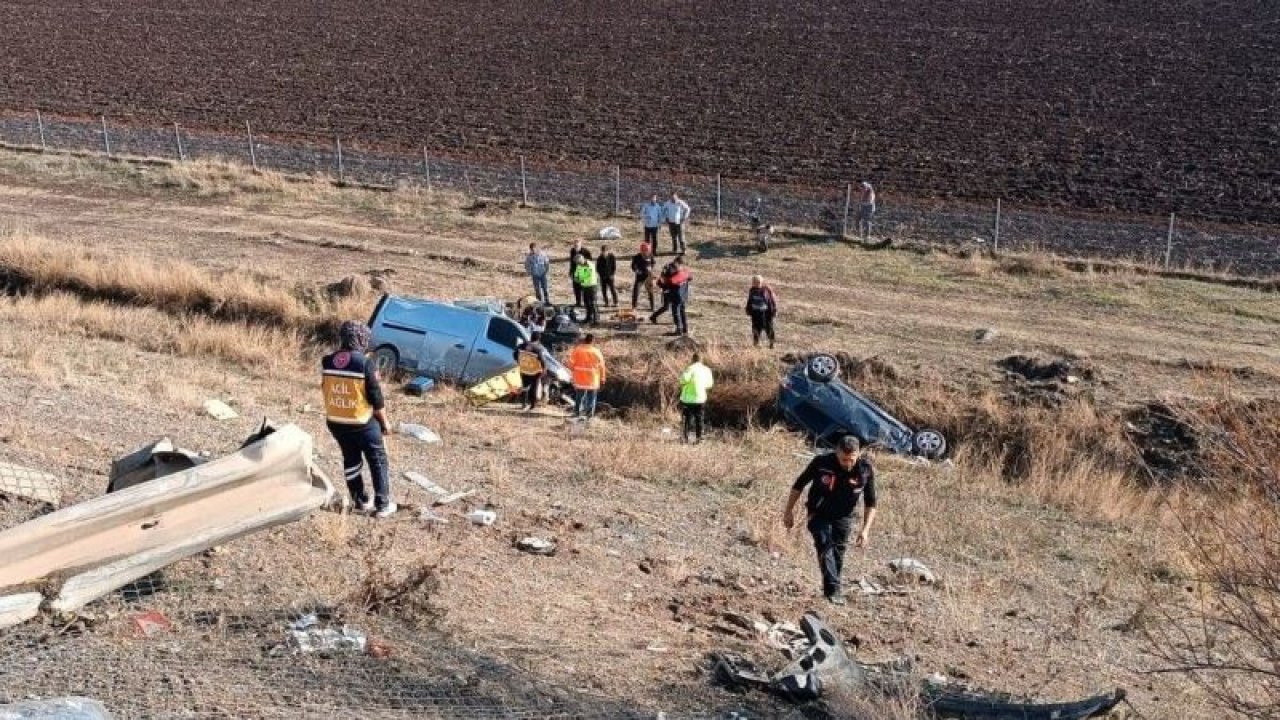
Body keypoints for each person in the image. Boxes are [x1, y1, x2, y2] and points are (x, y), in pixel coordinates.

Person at [782, 436, 877, 604]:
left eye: (851, 460)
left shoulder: (865, 469)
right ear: (836, 452)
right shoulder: (821, 463)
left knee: (838, 552)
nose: (847, 464)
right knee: (825, 544)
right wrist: (788, 511)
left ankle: (833, 589)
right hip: (818, 513)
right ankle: (833, 591)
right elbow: (799, 484)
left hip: (844, 516)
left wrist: (865, 530)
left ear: (858, 454)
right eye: (843, 459)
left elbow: (871, 502)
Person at [321, 321, 396, 518]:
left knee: (351, 459)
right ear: (360, 339)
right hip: (361, 421)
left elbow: (325, 387)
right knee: (377, 459)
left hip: (336, 420)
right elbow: (375, 397)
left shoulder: (327, 360)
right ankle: (382, 505)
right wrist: (385, 423)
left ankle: (360, 501)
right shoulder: (365, 363)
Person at [567, 333, 606, 420]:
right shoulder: (597, 352)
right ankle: (589, 415)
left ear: (584, 340)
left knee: (579, 396)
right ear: (593, 341)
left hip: (580, 378)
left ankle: (576, 413)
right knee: (591, 397)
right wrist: (603, 378)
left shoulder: (577, 350)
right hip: (593, 379)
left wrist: (575, 371)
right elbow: (602, 366)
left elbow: (570, 364)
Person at [678, 352, 714, 443]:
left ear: (692, 359)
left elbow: (683, 380)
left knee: (687, 419)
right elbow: (709, 384)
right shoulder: (707, 370)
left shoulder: (690, 368)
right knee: (699, 418)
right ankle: (700, 438)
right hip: (701, 398)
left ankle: (685, 438)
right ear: (701, 360)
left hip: (688, 398)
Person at [514, 330, 549, 411]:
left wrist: (520, 362)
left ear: (531, 337)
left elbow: (515, 354)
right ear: (539, 339)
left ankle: (523, 404)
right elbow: (542, 360)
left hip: (524, 369)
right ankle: (532, 405)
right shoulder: (538, 348)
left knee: (525, 386)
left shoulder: (521, 346)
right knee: (534, 387)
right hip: (534, 371)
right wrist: (544, 369)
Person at [745, 274, 778, 348]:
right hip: (755, 313)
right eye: (755, 282)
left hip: (765, 313)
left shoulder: (766, 290)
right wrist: (748, 309)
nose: (757, 284)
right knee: (756, 328)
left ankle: (772, 343)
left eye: (758, 282)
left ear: (762, 282)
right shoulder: (752, 290)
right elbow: (750, 300)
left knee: (769, 328)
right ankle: (756, 343)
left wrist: (774, 310)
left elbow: (772, 301)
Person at [574, 253, 601, 326]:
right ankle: (588, 318)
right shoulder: (579, 265)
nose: (579, 264)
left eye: (579, 263)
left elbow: (588, 276)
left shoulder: (590, 265)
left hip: (592, 286)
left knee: (593, 303)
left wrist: (580, 280)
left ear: (582, 259)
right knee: (586, 303)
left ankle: (597, 320)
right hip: (584, 287)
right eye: (577, 263)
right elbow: (576, 275)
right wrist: (577, 279)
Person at [630, 242, 657, 311]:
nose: (645, 253)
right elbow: (633, 266)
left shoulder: (650, 255)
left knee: (650, 292)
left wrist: (651, 267)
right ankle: (634, 306)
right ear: (641, 250)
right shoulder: (636, 257)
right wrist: (637, 271)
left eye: (647, 251)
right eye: (644, 251)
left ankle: (652, 306)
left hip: (648, 276)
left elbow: (653, 263)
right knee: (636, 291)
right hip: (640, 277)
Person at [568, 239, 587, 307]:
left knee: (584, 288)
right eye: (575, 245)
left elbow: (589, 262)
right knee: (576, 288)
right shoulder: (572, 251)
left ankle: (585, 302)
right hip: (575, 272)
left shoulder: (585, 251)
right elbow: (571, 262)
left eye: (577, 245)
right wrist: (570, 271)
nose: (576, 247)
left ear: (580, 245)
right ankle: (578, 302)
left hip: (583, 272)